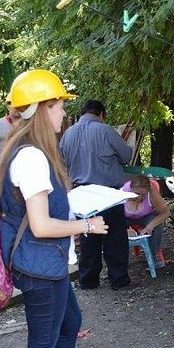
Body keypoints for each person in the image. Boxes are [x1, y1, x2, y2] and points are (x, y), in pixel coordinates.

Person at [0, 69, 109, 348]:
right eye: (60, 105)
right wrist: (86, 226)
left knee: (70, 320)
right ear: (43, 108)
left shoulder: (34, 152)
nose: (64, 113)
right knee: (42, 343)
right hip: (38, 264)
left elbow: (42, 212)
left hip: (46, 262)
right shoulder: (30, 158)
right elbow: (42, 226)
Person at [59, 99, 133, 290]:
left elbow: (62, 162)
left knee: (87, 236)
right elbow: (126, 156)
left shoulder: (67, 134)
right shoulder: (105, 130)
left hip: (81, 192)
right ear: (101, 114)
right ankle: (118, 280)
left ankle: (88, 280)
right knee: (114, 237)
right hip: (107, 193)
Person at [122, 175, 170, 267]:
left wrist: (150, 226)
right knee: (115, 228)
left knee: (157, 225)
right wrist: (124, 229)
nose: (139, 197)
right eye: (136, 193)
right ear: (130, 189)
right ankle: (118, 258)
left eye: (143, 194)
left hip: (146, 216)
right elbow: (115, 217)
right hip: (125, 217)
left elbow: (166, 213)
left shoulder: (152, 192)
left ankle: (154, 254)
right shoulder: (122, 191)